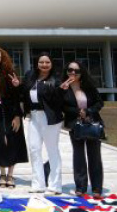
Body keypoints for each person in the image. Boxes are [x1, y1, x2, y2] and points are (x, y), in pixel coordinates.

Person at [0, 47, 27, 188]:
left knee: (13, 141)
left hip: (10, 112)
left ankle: (11, 175)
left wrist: (17, 116)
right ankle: (2, 173)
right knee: (0, 142)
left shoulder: (9, 74)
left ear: (2, 59)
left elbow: (18, 96)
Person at [21, 53, 65, 194]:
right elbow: (24, 93)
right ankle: (38, 184)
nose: (44, 65)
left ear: (51, 64)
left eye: (47, 62)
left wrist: (60, 90)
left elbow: (58, 100)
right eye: (41, 62)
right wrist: (18, 86)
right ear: (37, 63)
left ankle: (55, 185)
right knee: (34, 150)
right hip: (34, 117)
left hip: (50, 118)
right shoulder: (30, 77)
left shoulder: (56, 79)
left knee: (52, 150)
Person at [61, 61, 105, 198]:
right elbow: (61, 106)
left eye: (76, 71)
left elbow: (99, 102)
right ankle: (80, 187)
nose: (72, 73)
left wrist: (88, 111)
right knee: (79, 156)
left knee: (95, 156)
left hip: (92, 124)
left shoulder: (88, 86)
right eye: (70, 70)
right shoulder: (64, 87)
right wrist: (61, 92)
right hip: (75, 125)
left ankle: (97, 188)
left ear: (81, 73)